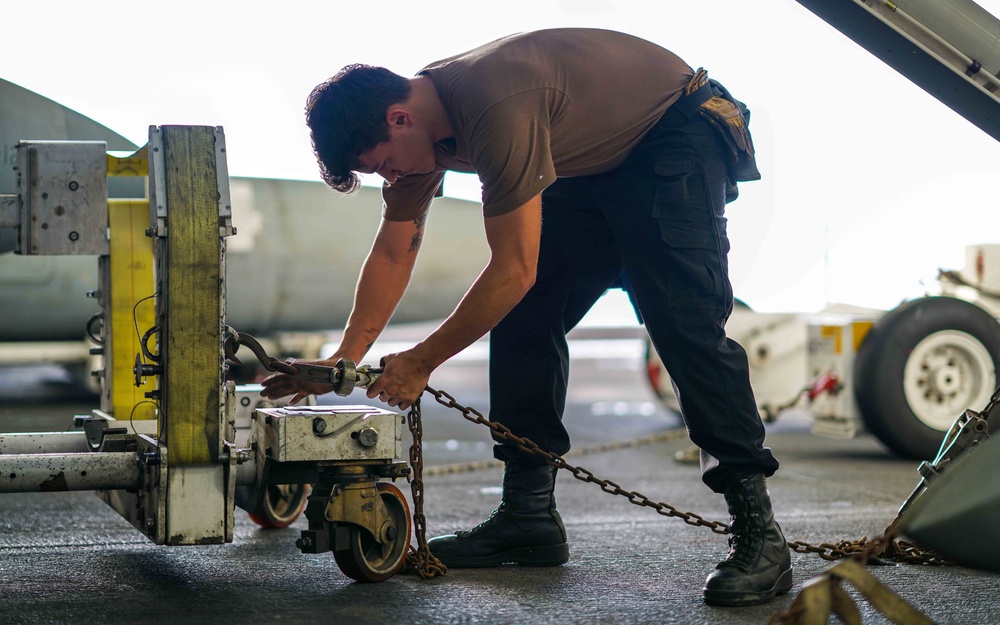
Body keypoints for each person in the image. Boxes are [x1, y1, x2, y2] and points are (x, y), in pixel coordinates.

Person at [260, 27, 792, 607]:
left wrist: (421, 362)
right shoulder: (420, 137)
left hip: (672, 134)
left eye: (384, 164)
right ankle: (528, 517)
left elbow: (512, 268)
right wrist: (345, 357)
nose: (391, 177)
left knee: (682, 325)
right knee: (524, 317)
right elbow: (393, 251)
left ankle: (760, 534)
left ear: (399, 119)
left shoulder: (494, 105)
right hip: (588, 165)